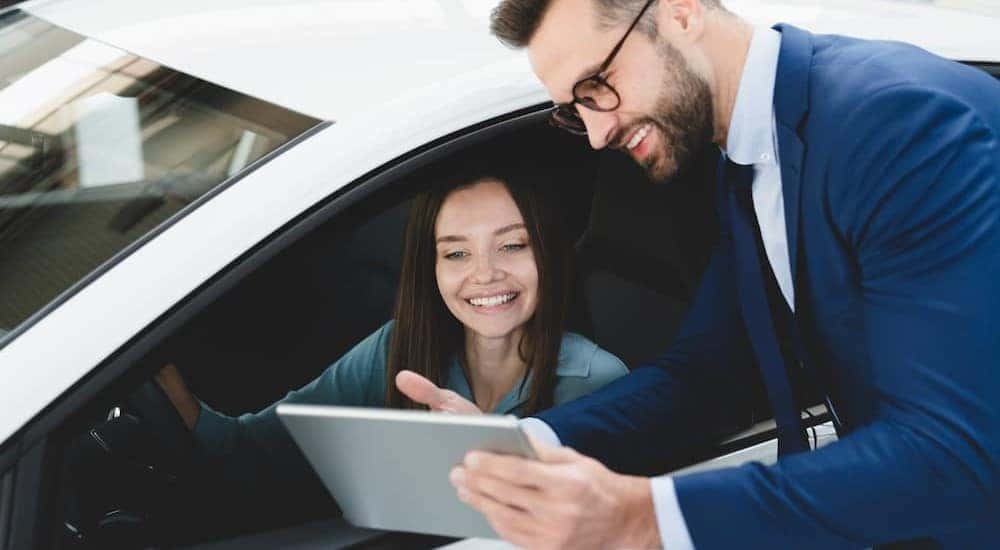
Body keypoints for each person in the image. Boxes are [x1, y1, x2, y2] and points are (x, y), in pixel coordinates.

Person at [396, 0, 1000, 548]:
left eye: (597, 85)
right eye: (574, 109)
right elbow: (712, 373)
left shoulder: (897, 124)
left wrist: (641, 518)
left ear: (682, 13)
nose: (598, 132)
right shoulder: (747, 156)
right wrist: (522, 448)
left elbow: (957, 453)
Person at [154, 157, 628, 491]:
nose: (484, 273)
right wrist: (166, 388)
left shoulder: (599, 381)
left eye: (513, 245)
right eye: (457, 253)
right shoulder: (397, 348)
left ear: (547, 253)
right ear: (432, 267)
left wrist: (498, 452)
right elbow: (257, 449)